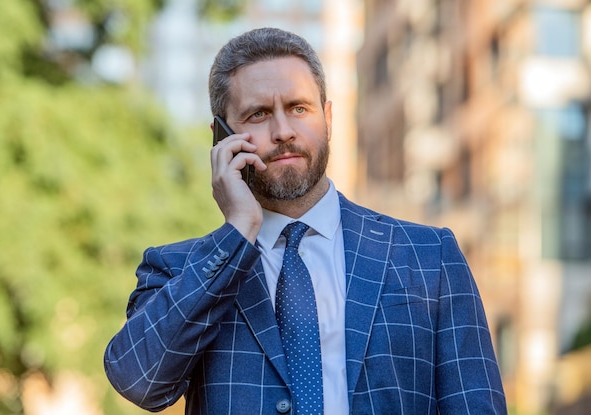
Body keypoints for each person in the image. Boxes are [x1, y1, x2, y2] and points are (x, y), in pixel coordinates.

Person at [104, 27, 507, 414]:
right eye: (258, 114)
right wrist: (238, 231)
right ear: (221, 136)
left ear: (327, 118)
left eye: (299, 109)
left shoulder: (429, 258)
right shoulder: (177, 270)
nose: (283, 131)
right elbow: (140, 380)